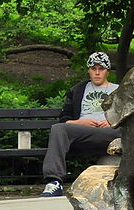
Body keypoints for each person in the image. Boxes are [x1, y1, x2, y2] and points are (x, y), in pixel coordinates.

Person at [40, 52, 121, 197]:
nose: (97, 73)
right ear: (88, 70)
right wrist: (80, 122)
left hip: (110, 134)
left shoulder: (119, 90)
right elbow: (64, 119)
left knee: (125, 131)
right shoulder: (77, 90)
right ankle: (54, 182)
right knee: (58, 129)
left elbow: (130, 117)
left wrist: (112, 122)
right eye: (93, 68)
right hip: (82, 133)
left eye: (101, 69)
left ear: (108, 71)